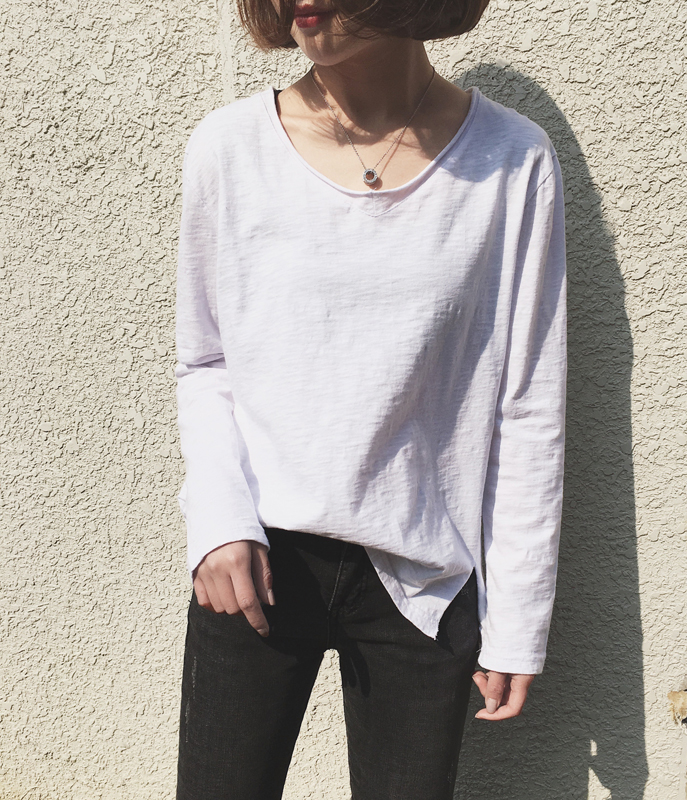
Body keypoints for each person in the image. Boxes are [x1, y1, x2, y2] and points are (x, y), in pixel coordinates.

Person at [173, 0, 567, 797]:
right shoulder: (230, 147)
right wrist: (216, 523)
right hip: (258, 556)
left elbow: (527, 405)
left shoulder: (511, 160)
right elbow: (207, 361)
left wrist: (519, 616)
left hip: (423, 576)